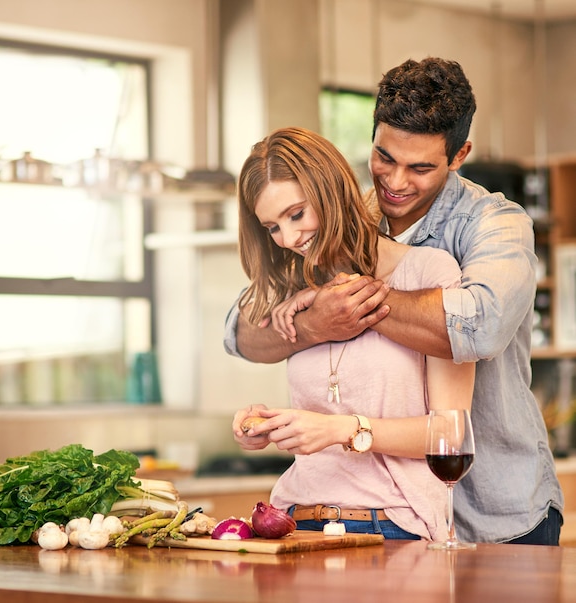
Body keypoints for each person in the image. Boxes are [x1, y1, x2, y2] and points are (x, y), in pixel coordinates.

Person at [225, 57, 564, 545]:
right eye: (385, 157)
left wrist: (350, 299)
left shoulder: (495, 224)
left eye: (420, 166)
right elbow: (238, 330)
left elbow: (478, 327)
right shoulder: (337, 225)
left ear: (459, 153)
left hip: (498, 506)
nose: (396, 181)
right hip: (392, 513)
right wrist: (314, 318)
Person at [231, 125, 475, 541]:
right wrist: (266, 425)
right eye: (272, 227)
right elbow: (241, 336)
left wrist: (340, 429)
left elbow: (451, 434)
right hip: (296, 521)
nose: (288, 238)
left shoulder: (429, 273)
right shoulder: (295, 294)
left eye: (296, 214)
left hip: (394, 524)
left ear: (331, 192)